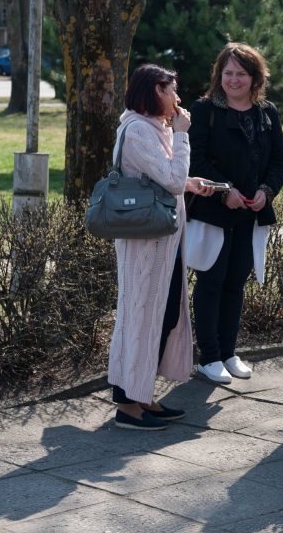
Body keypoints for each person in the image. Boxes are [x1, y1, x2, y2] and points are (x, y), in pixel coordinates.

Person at [108, 64, 214, 430]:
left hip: (160, 244)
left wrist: (190, 182)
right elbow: (169, 180)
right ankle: (128, 406)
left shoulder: (150, 129)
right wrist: (183, 136)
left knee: (161, 317)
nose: (178, 99)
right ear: (155, 91)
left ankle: (141, 394)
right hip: (146, 246)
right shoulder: (139, 130)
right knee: (143, 317)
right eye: (172, 90)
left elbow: (164, 177)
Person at [187, 43, 283, 384]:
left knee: (235, 284)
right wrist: (223, 190)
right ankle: (209, 356)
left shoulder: (267, 112)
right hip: (214, 213)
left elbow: (279, 159)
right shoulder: (204, 110)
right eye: (227, 73)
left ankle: (229, 353)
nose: (233, 80)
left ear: (255, 77)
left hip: (250, 213)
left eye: (241, 74)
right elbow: (195, 158)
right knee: (211, 282)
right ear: (219, 75)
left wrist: (266, 191)